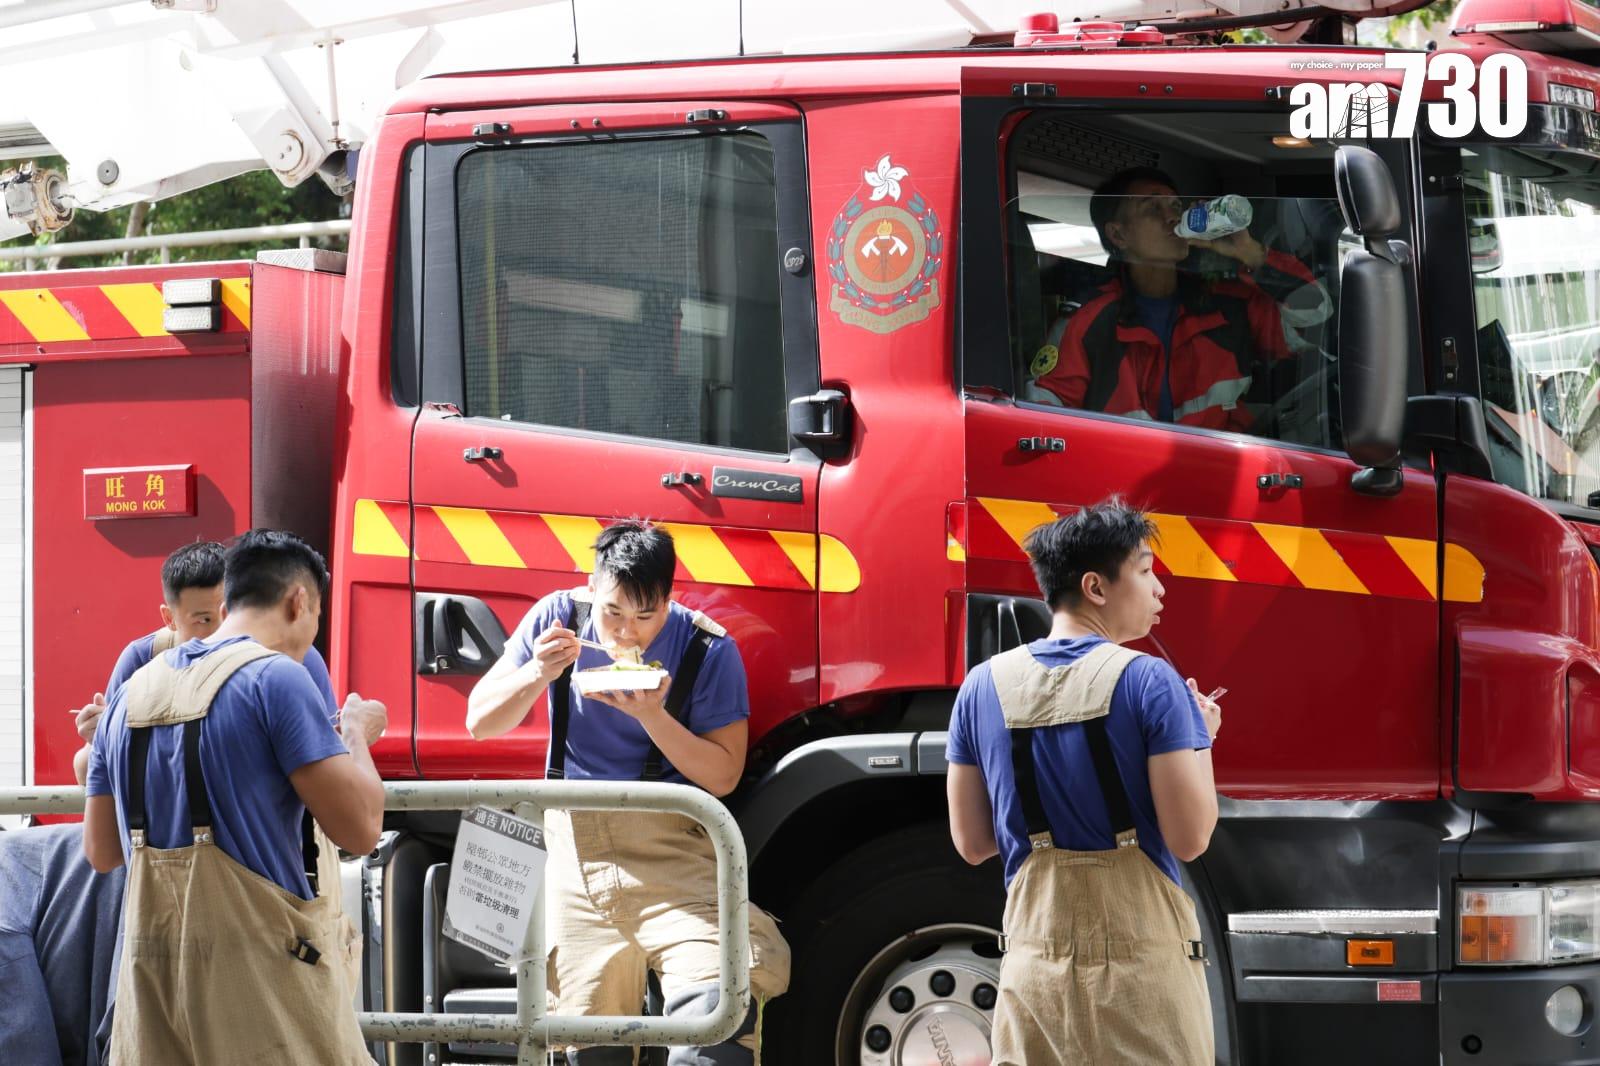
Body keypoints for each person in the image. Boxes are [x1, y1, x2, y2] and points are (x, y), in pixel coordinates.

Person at [467, 520, 790, 1066]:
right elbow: (480, 720)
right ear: (590, 587)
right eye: (612, 612)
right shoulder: (557, 617)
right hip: (573, 847)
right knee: (588, 1049)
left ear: (669, 600)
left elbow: (724, 774)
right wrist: (537, 674)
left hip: (675, 853)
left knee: (716, 1023)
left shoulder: (706, 649)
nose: (625, 633)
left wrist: (653, 716)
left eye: (645, 617)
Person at [83, 529, 386, 1064]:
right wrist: (357, 731)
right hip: (260, 983)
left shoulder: (129, 694)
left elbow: (102, 852)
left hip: (151, 980)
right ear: (300, 602)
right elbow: (360, 829)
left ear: (227, 601)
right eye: (314, 619)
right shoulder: (277, 679)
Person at [945, 499, 1223, 1064]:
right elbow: (1190, 837)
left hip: (1034, 984)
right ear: (1096, 587)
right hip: (1144, 985)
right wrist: (1203, 740)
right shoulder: (1150, 682)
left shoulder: (981, 687)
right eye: (1145, 571)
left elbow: (973, 843)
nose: (1159, 589)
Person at [1031, 166, 1313, 433]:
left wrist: (1251, 253)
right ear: (1118, 234)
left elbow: (1314, 320)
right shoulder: (1087, 321)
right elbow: (1042, 420)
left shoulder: (1228, 304)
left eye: (1176, 206)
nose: (1172, 217)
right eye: (1153, 208)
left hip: (1220, 473)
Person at [72, 539, 340, 786]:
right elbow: (89, 774)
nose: (222, 630)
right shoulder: (143, 659)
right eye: (203, 620)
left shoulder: (293, 656)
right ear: (169, 618)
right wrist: (97, 739)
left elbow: (331, 758)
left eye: (230, 614)